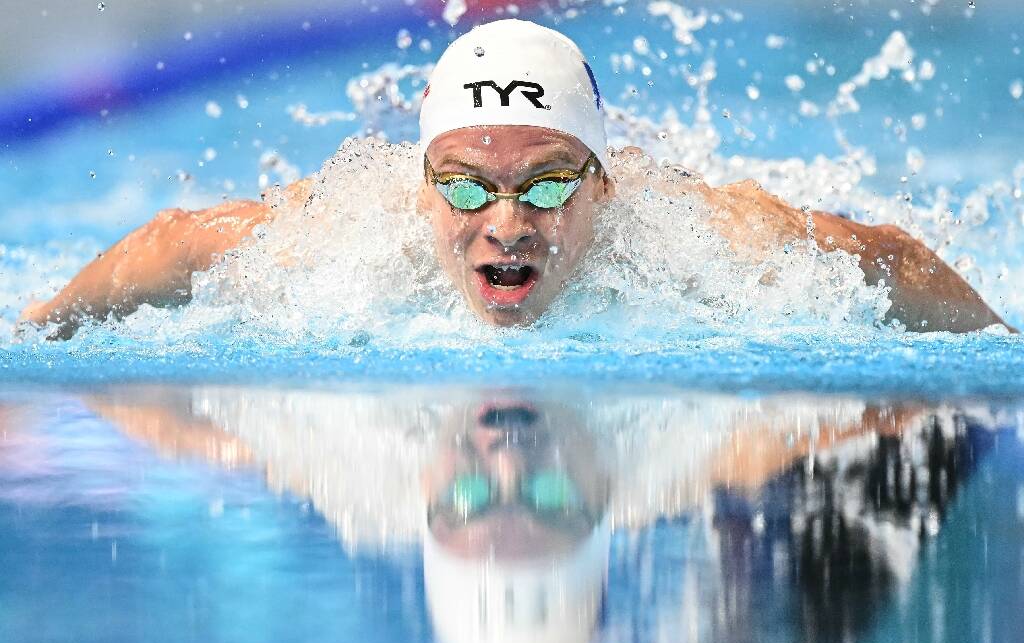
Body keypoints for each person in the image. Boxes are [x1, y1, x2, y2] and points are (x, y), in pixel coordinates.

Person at [18, 19, 1013, 339]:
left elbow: (879, 258)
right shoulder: (338, 249)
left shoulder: (704, 250)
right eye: (462, 186)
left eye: (544, 185)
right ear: (420, 190)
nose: (505, 224)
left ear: (602, 184)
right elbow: (176, 240)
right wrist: (28, 342)